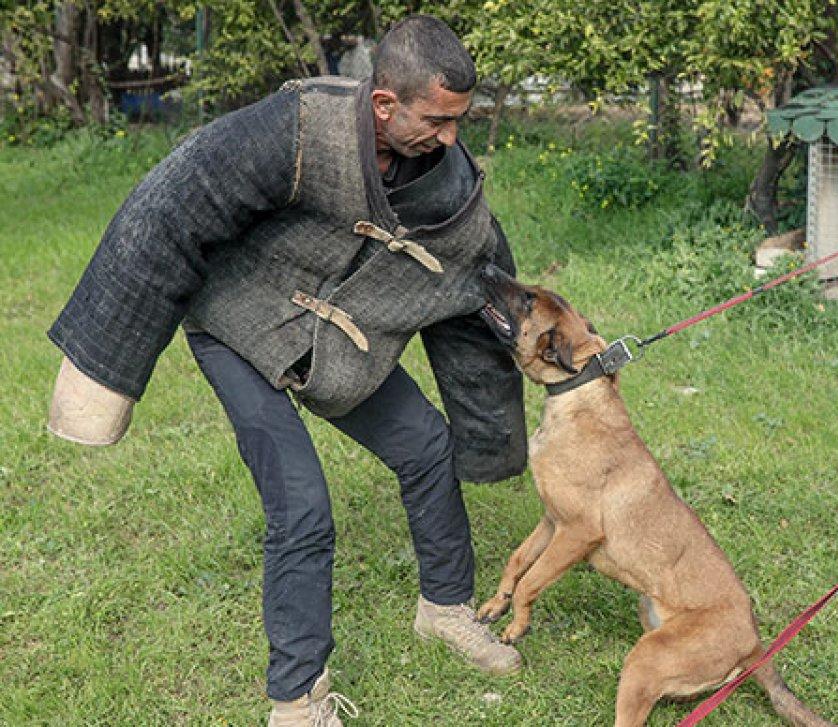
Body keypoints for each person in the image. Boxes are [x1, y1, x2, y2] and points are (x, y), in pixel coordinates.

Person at [46, 15, 528, 726]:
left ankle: (446, 609)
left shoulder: (450, 187)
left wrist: (516, 405)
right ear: (384, 104)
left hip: (339, 346)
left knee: (427, 445)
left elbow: (475, 285)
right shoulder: (299, 125)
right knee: (302, 503)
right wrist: (102, 372)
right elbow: (176, 204)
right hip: (236, 325)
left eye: (460, 120)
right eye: (438, 119)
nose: (450, 137)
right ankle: (297, 700)